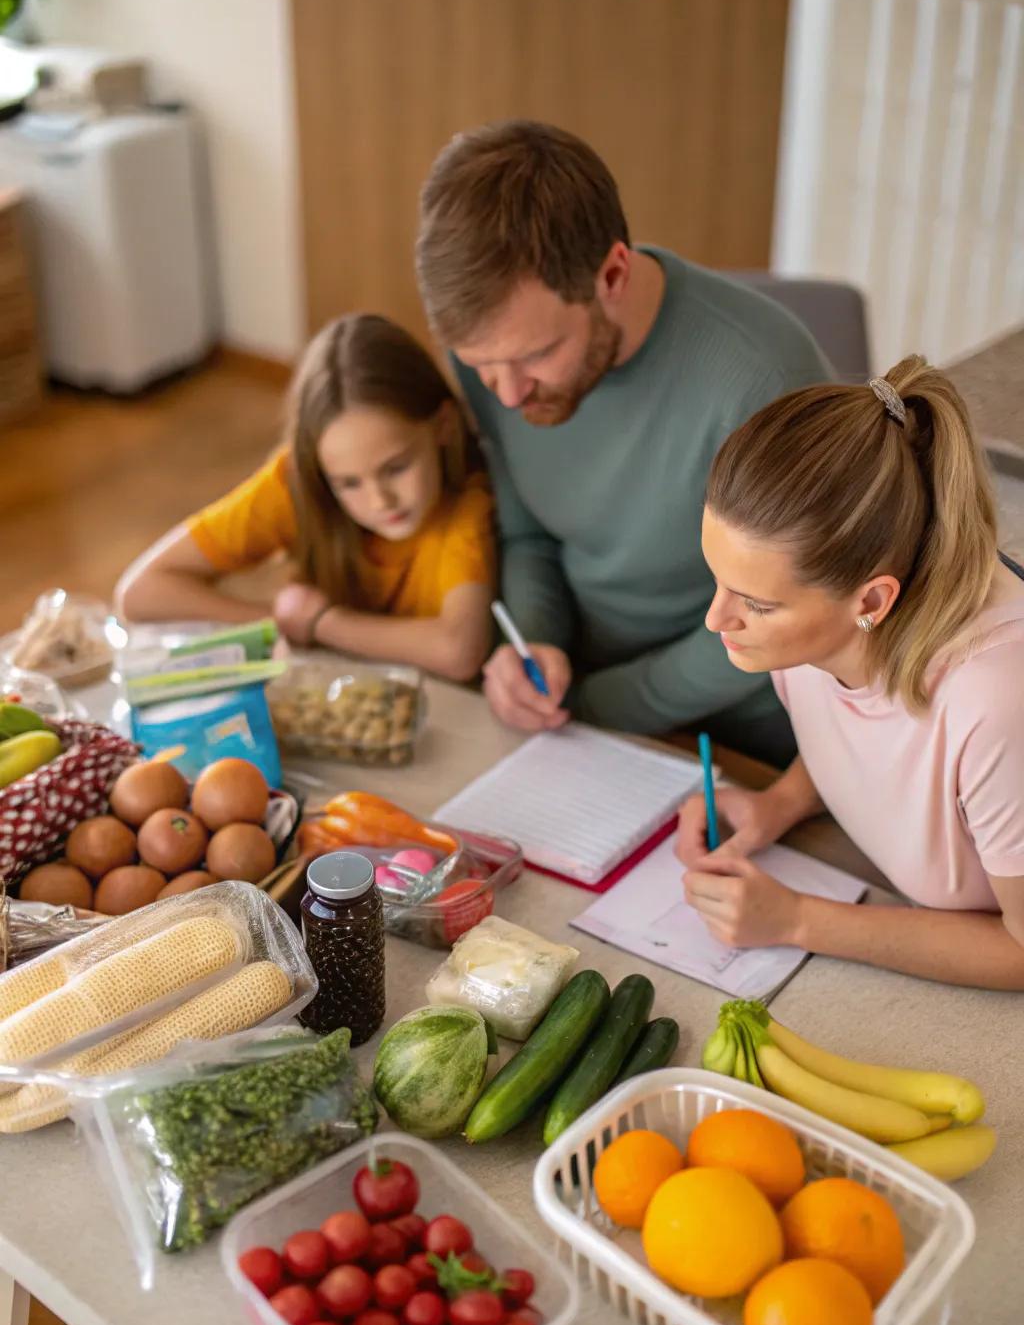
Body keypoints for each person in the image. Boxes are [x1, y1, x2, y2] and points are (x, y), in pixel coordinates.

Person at [415, 120, 832, 764]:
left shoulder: (764, 380)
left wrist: (592, 707)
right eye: (479, 364)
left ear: (612, 274)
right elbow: (529, 536)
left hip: (745, 726)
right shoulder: (497, 357)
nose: (507, 395)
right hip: (575, 701)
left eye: (537, 355)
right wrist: (534, 647)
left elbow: (781, 614)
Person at [675, 356, 1024, 990]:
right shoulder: (816, 623)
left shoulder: (995, 702)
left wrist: (799, 920)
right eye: (718, 578)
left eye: (756, 603)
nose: (716, 618)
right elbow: (868, 737)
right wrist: (781, 802)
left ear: (871, 601)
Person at [116, 314, 495, 682]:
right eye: (348, 483)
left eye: (395, 468)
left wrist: (323, 623)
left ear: (443, 426)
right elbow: (139, 593)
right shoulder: (295, 483)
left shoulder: (465, 505)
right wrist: (277, 622)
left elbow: (459, 651)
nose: (380, 501)